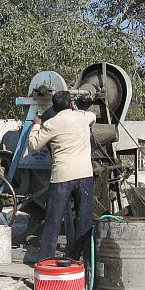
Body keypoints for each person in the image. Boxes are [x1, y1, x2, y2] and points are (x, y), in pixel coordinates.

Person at [28, 89, 96, 261]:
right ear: (70, 104)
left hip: (62, 178)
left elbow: (34, 145)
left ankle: (46, 261)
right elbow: (93, 116)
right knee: (84, 220)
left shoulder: (52, 124)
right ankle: (81, 259)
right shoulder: (83, 117)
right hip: (84, 175)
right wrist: (78, 110)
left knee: (53, 220)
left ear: (55, 106)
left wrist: (36, 124)